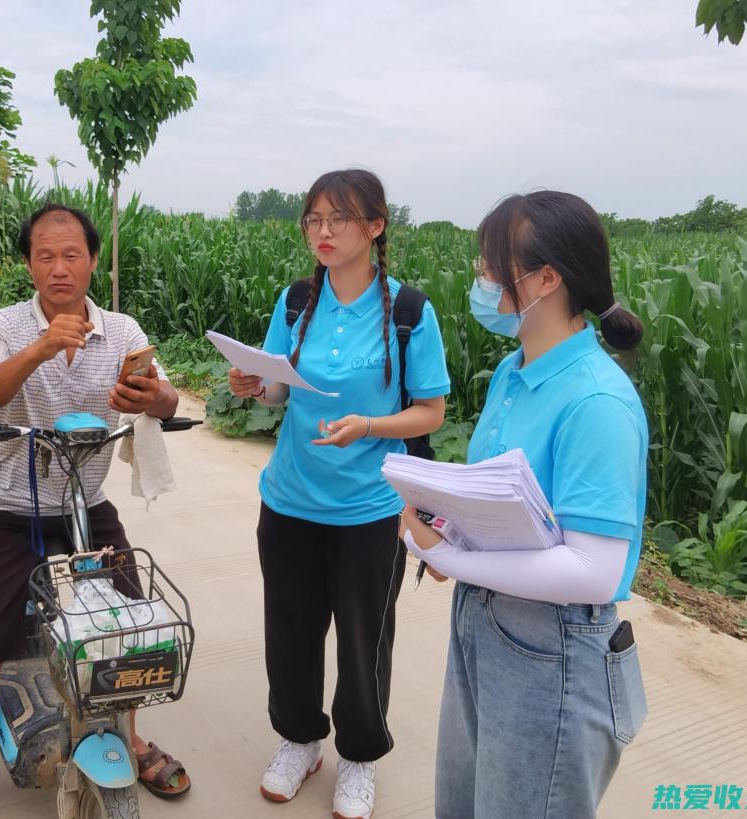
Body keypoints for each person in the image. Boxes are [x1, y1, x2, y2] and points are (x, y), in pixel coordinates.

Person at [0, 204, 191, 819]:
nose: (59, 268)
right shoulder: (3, 325)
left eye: (71, 254)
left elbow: (167, 396)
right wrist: (42, 348)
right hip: (5, 509)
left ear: (93, 261)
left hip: (87, 502)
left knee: (132, 625)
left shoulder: (122, 331)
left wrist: (150, 394)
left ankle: (127, 738)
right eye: (44, 256)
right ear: (28, 263)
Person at [402, 191, 650, 819]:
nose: (481, 281)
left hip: (553, 650)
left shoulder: (597, 402)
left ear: (544, 279)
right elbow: (508, 504)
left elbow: (591, 569)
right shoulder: (514, 374)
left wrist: (455, 560)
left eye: (491, 266)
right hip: (483, 623)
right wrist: (444, 525)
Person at [228, 169, 451, 819]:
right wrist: (254, 385)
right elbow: (278, 387)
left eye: (338, 220)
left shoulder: (407, 311)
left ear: (375, 227)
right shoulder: (296, 300)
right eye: (313, 220)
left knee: (362, 640)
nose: (321, 232)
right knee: (290, 630)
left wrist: (371, 426)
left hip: (369, 508)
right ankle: (299, 740)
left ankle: (358, 755)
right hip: (290, 498)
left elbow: (430, 411)